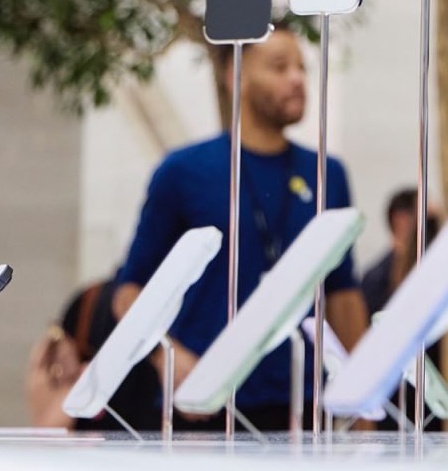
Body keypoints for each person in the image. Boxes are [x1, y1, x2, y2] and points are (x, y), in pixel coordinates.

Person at [112, 26, 368, 430]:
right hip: (204, 405)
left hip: (302, 405)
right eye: (279, 67)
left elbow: (343, 294)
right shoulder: (183, 171)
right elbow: (129, 293)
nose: (298, 79)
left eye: (302, 67)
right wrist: (168, 357)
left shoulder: (327, 174)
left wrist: (361, 398)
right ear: (235, 77)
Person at [25, 275, 162, 431]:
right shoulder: (89, 299)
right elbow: (48, 424)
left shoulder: (91, 297)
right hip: (90, 438)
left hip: (150, 436)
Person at [360, 188, 437, 320]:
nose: (434, 229)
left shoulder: (433, 271)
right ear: (400, 220)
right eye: (427, 219)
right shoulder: (375, 280)